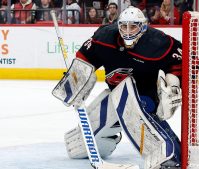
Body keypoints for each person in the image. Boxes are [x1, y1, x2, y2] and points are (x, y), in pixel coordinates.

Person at [55, 6, 182, 169]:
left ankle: (168, 155)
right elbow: (84, 59)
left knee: (133, 103)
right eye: (124, 26)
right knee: (80, 146)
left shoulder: (156, 42)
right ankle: (97, 142)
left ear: (143, 26)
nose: (128, 31)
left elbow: (181, 60)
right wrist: (75, 81)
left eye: (133, 26)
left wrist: (172, 85)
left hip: (146, 98)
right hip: (116, 94)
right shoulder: (105, 37)